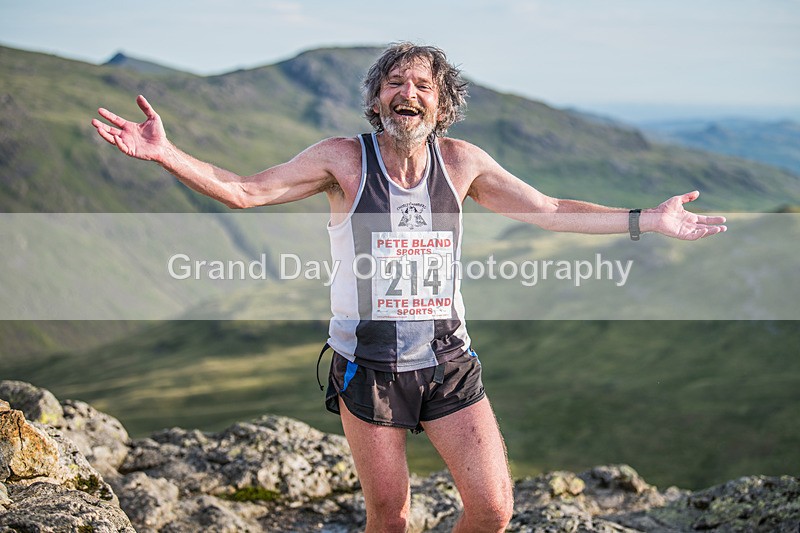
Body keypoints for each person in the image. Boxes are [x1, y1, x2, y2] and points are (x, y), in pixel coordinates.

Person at [92, 42, 726, 532]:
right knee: (390, 518)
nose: (408, 93)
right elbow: (246, 191)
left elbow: (549, 207)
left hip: (449, 361)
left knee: (493, 512)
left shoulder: (461, 162)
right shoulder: (343, 158)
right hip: (368, 366)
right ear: (376, 102)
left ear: (441, 105)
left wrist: (650, 219)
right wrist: (166, 154)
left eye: (423, 85)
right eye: (395, 83)